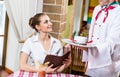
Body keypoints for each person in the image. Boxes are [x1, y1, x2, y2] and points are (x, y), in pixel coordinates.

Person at [79, 0, 120, 77]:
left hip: (107, 69)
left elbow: (113, 44)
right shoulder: (97, 9)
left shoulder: (118, 12)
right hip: (91, 66)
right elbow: (91, 36)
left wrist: (89, 49)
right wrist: (87, 60)